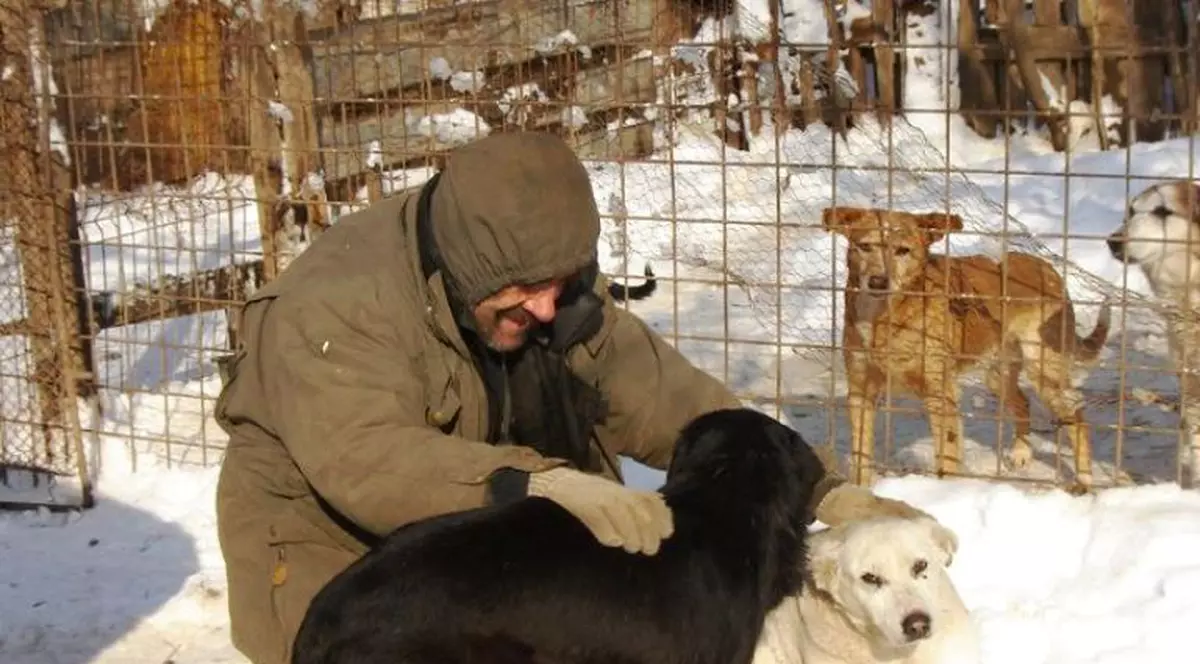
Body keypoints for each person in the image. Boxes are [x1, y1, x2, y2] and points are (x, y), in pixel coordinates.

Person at [213, 131, 932, 664]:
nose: (548, 308)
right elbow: (365, 459)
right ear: (466, 269)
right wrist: (538, 484)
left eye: (558, 286)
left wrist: (810, 483)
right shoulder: (339, 304)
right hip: (329, 542)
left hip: (475, 534)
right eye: (526, 291)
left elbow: (648, 386)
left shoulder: (534, 268)